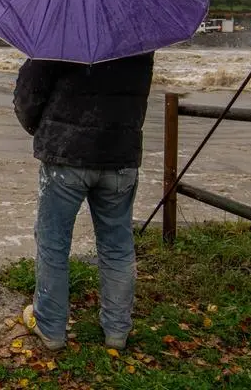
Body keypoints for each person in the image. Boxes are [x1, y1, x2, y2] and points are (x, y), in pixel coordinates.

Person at [12, 53, 154, 351]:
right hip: (121, 155)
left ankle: (50, 327)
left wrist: (41, 129)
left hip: (67, 155)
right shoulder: (141, 38)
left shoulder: (63, 33)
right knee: (117, 244)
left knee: (53, 241)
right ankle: (117, 331)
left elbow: (29, 93)